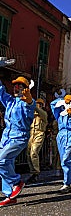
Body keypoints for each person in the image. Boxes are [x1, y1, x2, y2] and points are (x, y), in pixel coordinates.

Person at [0, 77, 35, 207]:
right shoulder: (10, 101)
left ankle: (17, 182)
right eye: (15, 85)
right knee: (7, 163)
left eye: (20, 86)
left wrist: (29, 101)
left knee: (1, 160)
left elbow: (30, 110)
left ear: (26, 89)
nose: (17, 87)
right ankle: (10, 195)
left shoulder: (26, 102)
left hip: (19, 137)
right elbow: (0, 91)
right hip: (6, 138)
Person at [50, 94, 71, 193]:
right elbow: (52, 104)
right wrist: (63, 100)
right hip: (61, 136)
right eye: (67, 102)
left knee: (66, 160)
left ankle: (66, 184)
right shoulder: (59, 113)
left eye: (70, 102)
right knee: (64, 160)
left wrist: (70, 115)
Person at [26, 98, 48, 184]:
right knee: (28, 153)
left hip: (39, 134)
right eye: (37, 103)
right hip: (31, 134)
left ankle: (36, 172)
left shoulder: (43, 114)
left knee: (34, 152)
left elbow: (40, 112)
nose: (38, 105)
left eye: (40, 104)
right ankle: (32, 172)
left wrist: (33, 104)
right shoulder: (32, 115)